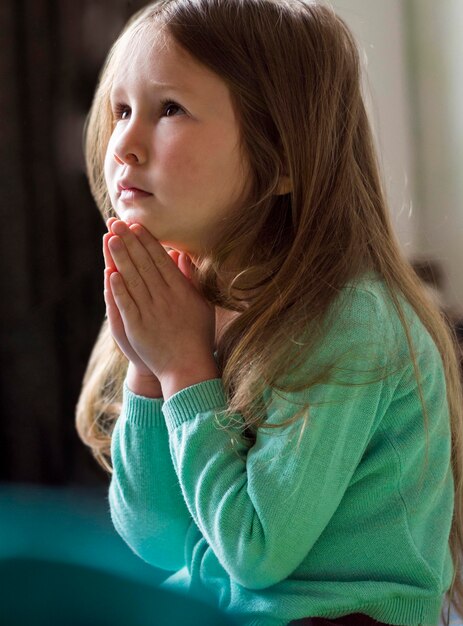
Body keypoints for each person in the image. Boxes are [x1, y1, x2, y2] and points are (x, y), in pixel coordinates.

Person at [75, 1, 463, 625]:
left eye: (169, 108)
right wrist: (150, 370)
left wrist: (182, 370)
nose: (123, 143)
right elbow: (158, 541)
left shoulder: (351, 320)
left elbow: (258, 552)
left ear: (281, 159)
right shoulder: (185, 297)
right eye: (121, 110)